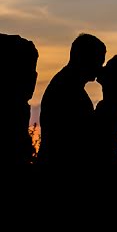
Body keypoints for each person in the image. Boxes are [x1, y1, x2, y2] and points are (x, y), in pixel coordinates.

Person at [37, 33, 106, 168]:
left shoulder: (67, 84)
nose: (100, 68)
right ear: (86, 58)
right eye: (99, 61)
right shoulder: (66, 89)